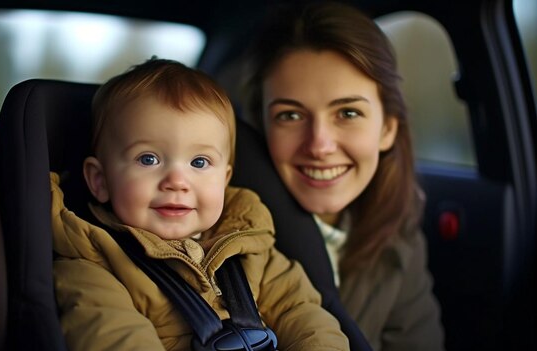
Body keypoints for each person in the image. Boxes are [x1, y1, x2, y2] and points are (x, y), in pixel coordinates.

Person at [50, 58, 349, 351]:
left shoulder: (253, 249)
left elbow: (302, 313)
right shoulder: (92, 264)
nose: (177, 181)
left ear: (224, 179)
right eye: (148, 159)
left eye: (199, 162)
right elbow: (114, 336)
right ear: (100, 180)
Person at [243, 2, 445, 350]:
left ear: (387, 129)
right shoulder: (217, 239)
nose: (319, 144)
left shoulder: (399, 241)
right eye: (290, 116)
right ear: (262, 128)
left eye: (347, 112)